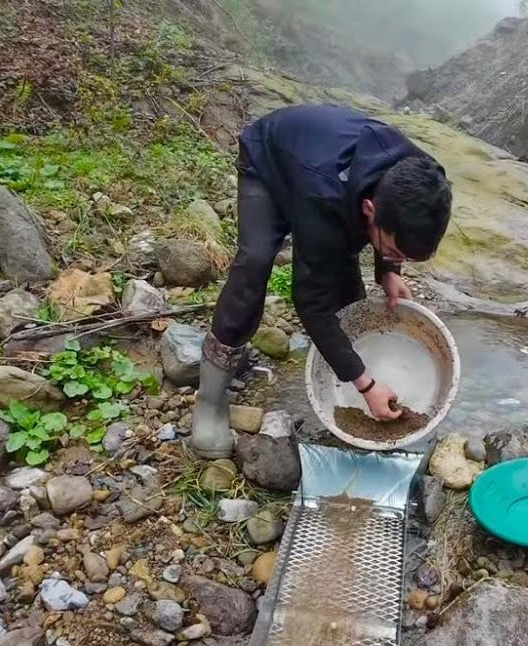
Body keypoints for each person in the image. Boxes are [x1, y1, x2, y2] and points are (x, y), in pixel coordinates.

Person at [190, 104, 453, 459]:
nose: (396, 255)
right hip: (270, 161)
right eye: (394, 248)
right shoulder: (323, 197)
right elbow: (309, 300)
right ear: (369, 211)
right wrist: (367, 383)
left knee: (346, 280)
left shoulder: (424, 178)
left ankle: (355, 379)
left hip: (328, 174)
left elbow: (395, 224)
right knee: (255, 263)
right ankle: (210, 399)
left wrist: (389, 270)